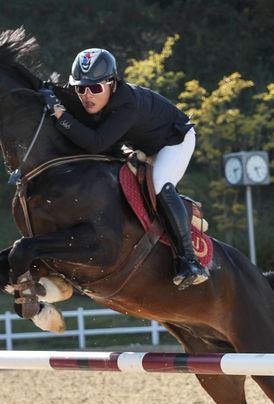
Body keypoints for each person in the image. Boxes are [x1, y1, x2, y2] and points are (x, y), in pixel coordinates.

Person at [38, 48, 208, 290]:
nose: (87, 96)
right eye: (80, 88)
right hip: (143, 144)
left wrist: (59, 114)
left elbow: (95, 142)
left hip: (174, 140)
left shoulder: (127, 103)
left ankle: (190, 262)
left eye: (95, 88)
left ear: (113, 84)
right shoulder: (93, 93)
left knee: (160, 183)